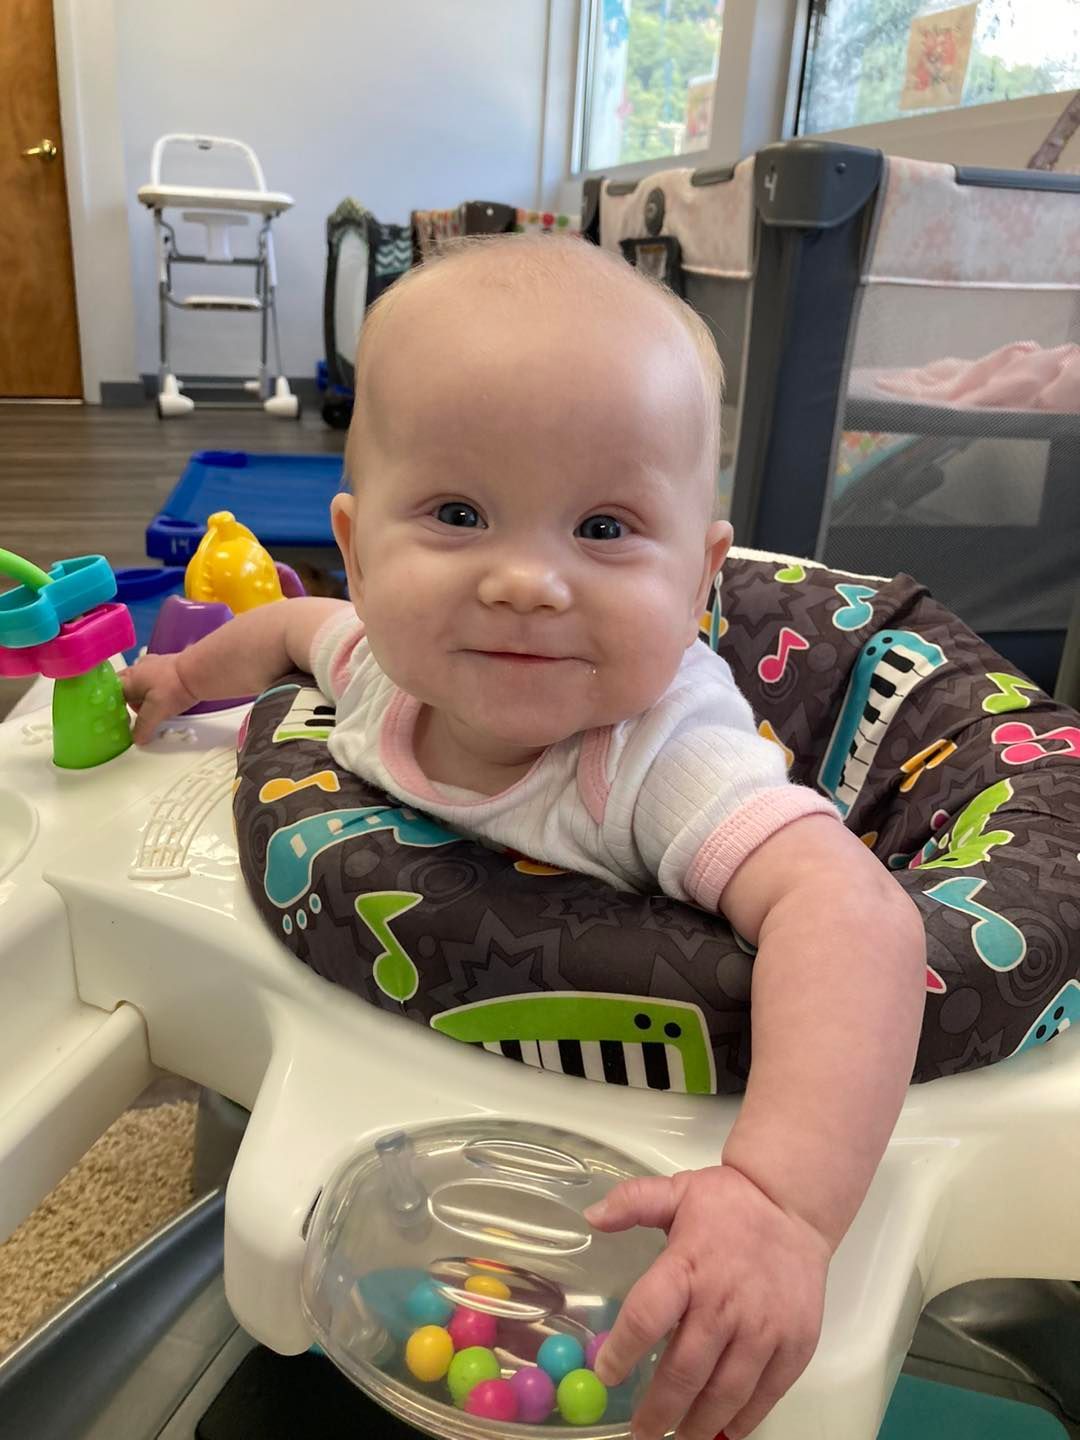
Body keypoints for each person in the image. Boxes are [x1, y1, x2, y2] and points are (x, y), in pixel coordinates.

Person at [122, 236, 926, 1440]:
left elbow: (853, 915)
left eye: (603, 529)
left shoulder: (661, 760)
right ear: (357, 546)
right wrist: (182, 676)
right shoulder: (386, 672)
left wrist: (779, 1203)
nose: (526, 582)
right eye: (458, 514)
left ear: (702, 579)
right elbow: (292, 630)